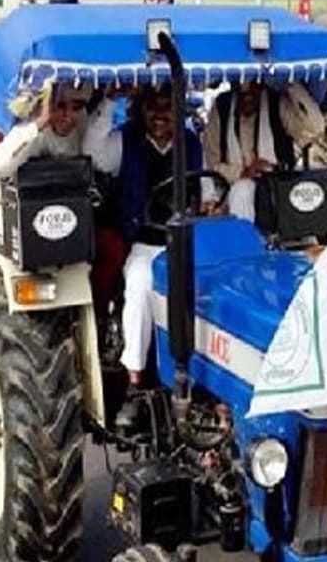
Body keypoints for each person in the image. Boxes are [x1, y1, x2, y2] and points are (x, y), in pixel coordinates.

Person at [84, 88, 204, 431]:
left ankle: (204, 382)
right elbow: (93, 153)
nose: (161, 114)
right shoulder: (127, 142)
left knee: (211, 288)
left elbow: (208, 193)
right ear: (141, 110)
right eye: (154, 106)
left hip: (188, 241)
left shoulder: (191, 144)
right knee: (140, 283)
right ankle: (135, 382)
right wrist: (108, 102)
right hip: (145, 240)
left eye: (169, 106)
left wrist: (210, 205)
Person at [202, 82, 300, 221]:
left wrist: (291, 84)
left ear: (260, 88)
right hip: (231, 192)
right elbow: (213, 163)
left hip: (275, 191)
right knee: (242, 190)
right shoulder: (222, 107)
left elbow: (316, 128)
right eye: (242, 94)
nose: (247, 98)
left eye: (251, 92)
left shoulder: (276, 102)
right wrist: (243, 173)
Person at [0, 84, 95, 179]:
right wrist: (39, 124)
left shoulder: (83, 120)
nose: (68, 117)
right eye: (60, 106)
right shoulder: (32, 127)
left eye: (76, 108)